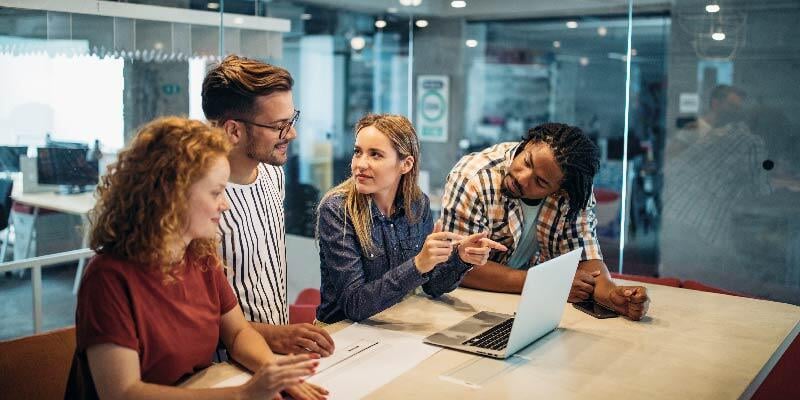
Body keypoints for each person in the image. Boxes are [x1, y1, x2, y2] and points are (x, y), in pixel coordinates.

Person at [66, 117, 318, 399]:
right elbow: (123, 393)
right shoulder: (108, 278)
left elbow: (237, 334)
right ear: (171, 196)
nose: (225, 203)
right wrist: (243, 394)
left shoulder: (200, 255)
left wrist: (274, 373)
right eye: (215, 192)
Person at [440, 122, 650, 320]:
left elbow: (586, 259)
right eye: (526, 162)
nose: (522, 178)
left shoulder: (573, 196)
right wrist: (545, 284)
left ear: (559, 192)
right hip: (463, 305)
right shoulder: (473, 178)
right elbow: (457, 267)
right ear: (528, 143)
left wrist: (613, 294)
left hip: (522, 306)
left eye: (540, 182)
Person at [201, 55, 337, 356]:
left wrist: (283, 337)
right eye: (279, 126)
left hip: (276, 354)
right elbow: (195, 314)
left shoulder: (273, 172)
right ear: (234, 130)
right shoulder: (197, 201)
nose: (291, 133)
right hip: (223, 366)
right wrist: (273, 336)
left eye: (292, 120)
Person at [316, 114, 507, 324]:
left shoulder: (418, 206)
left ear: (406, 164)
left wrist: (459, 258)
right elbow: (354, 304)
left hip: (394, 324)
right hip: (342, 335)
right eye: (357, 152)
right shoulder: (336, 210)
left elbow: (433, 286)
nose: (360, 164)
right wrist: (417, 265)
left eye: (375, 155)